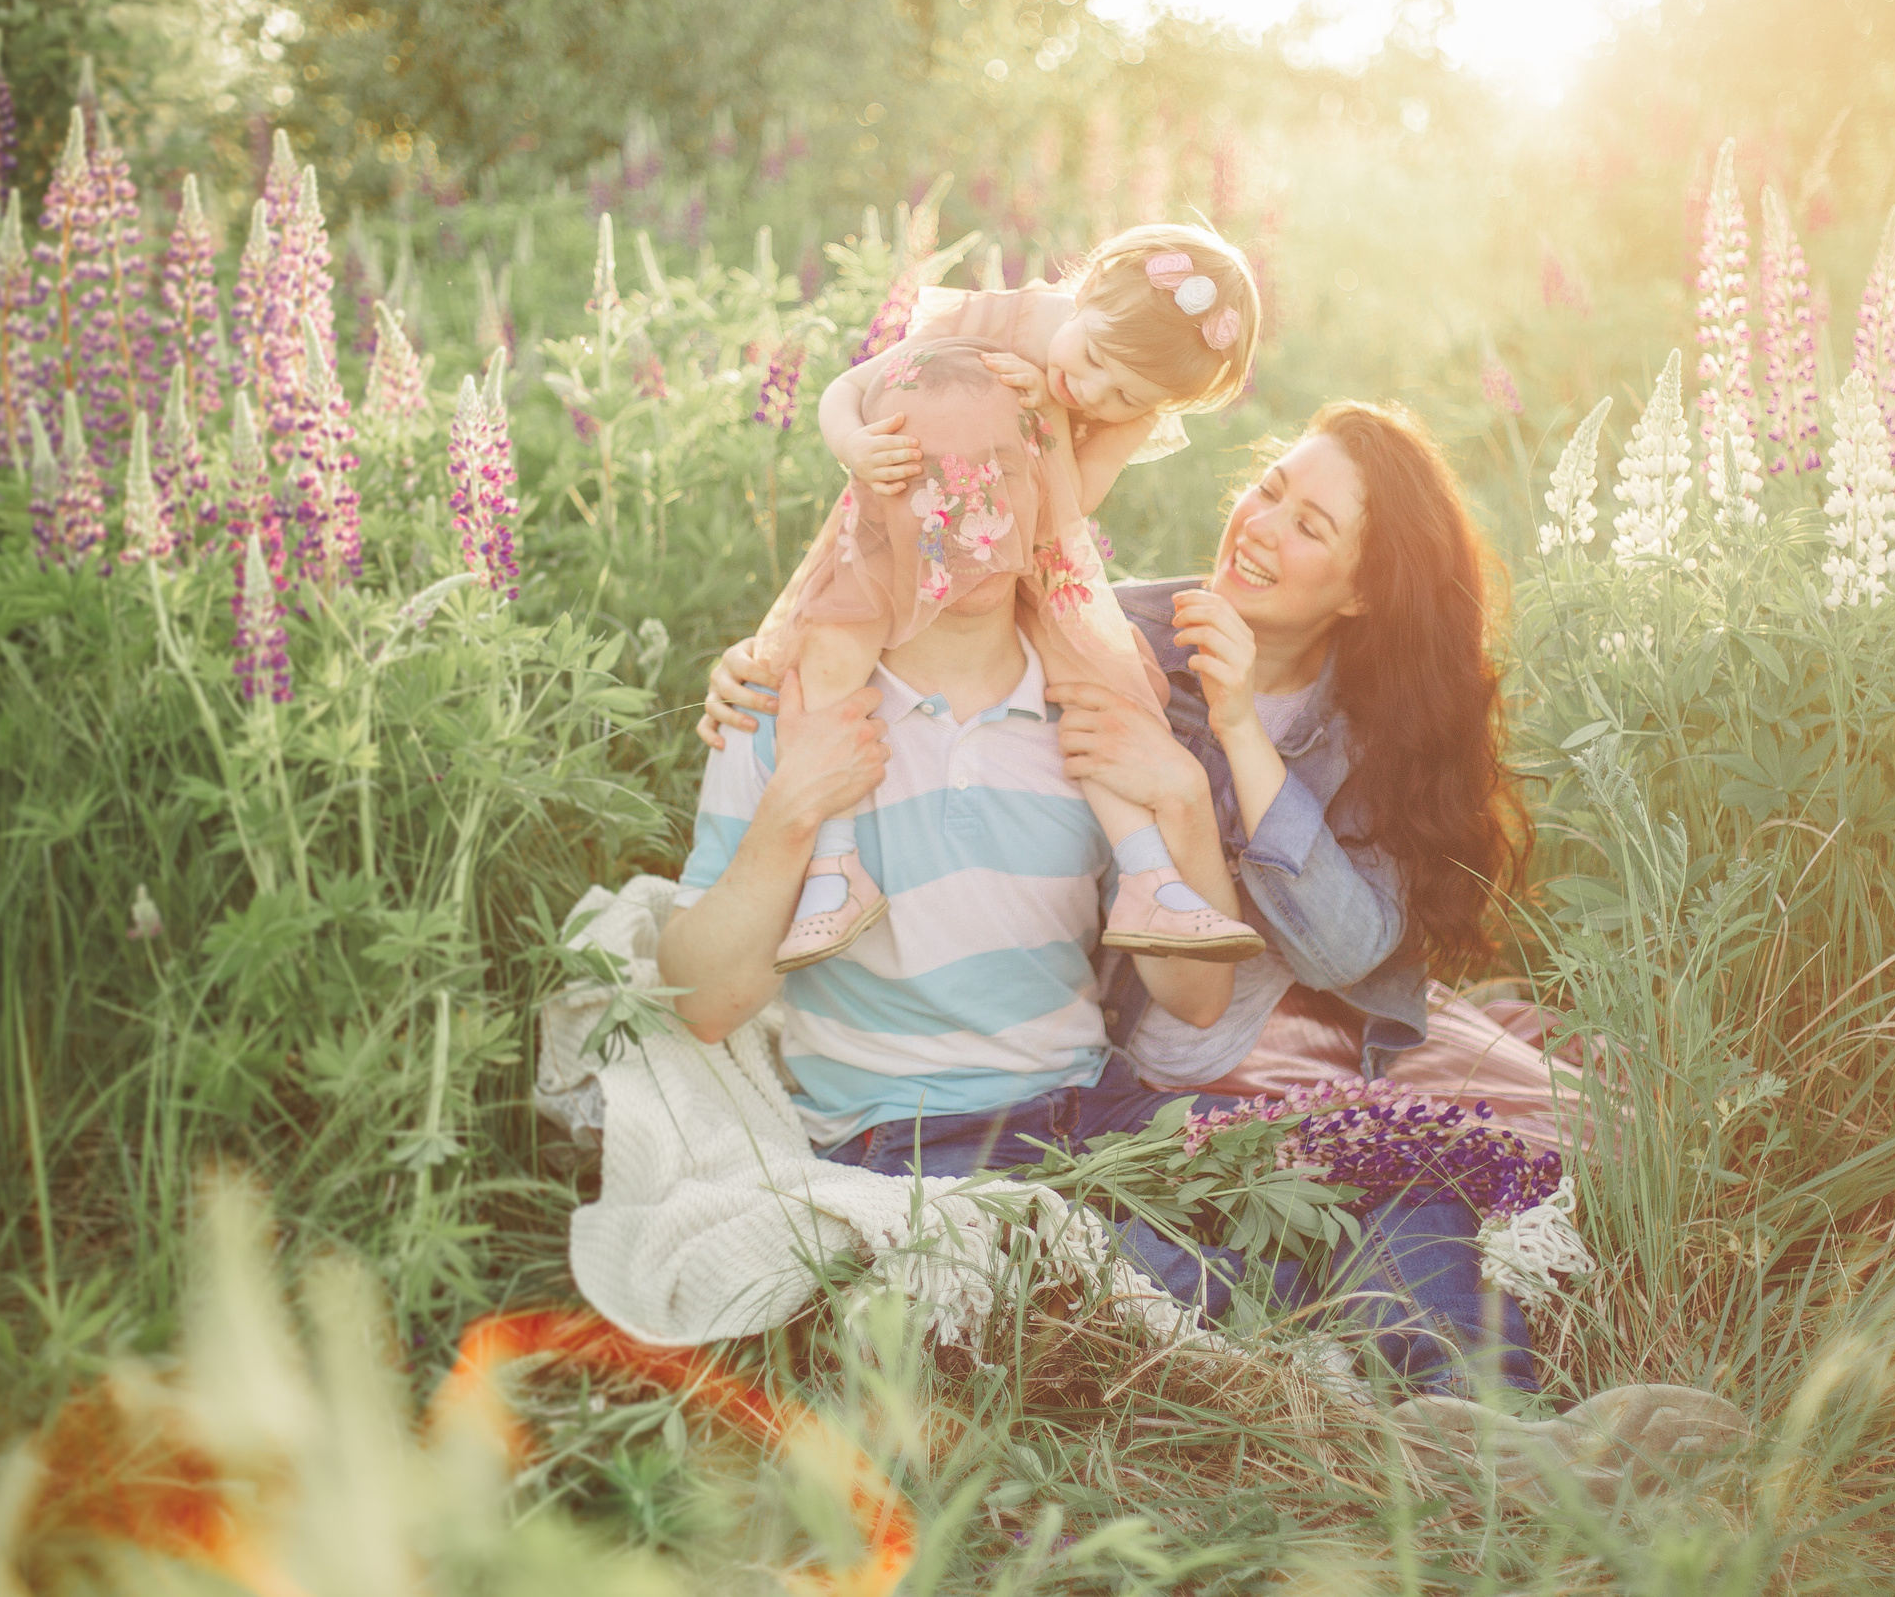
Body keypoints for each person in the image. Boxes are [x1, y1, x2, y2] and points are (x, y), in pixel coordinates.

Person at [656, 534, 1540, 1396]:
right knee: (1160, 1278)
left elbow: (1194, 998)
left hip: (1094, 1105)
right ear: (878, 494)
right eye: (932, 474)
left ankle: (1487, 1427)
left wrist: (1184, 799)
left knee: (1391, 1158)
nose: (965, 514)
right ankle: (1356, 1360)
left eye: (994, 474)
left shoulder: (1089, 700)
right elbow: (703, 1004)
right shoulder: (788, 702)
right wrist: (794, 809)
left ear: (1041, 495)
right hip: (912, 1139)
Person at [707, 401, 1591, 1149]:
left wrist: (1239, 726)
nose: (1261, 525)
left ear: (1359, 595)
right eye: (1269, 488)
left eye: (1309, 527)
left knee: (1562, 1134)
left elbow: (1348, 951)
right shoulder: (1120, 636)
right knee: (1443, 1154)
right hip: (1175, 1038)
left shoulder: (1370, 724)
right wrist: (768, 652)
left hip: (1312, 1018)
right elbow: (962, 574)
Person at [755, 222, 1269, 976]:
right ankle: (835, 868)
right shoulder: (997, 318)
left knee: (1101, 689)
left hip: (1032, 548)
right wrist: (853, 445)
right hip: (916, 518)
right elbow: (851, 388)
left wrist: (1053, 419)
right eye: (1092, 358)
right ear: (1085, 291)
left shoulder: (1132, 404)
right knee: (827, 657)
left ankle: (1150, 882)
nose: (1094, 391)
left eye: (1124, 394)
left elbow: (1077, 497)